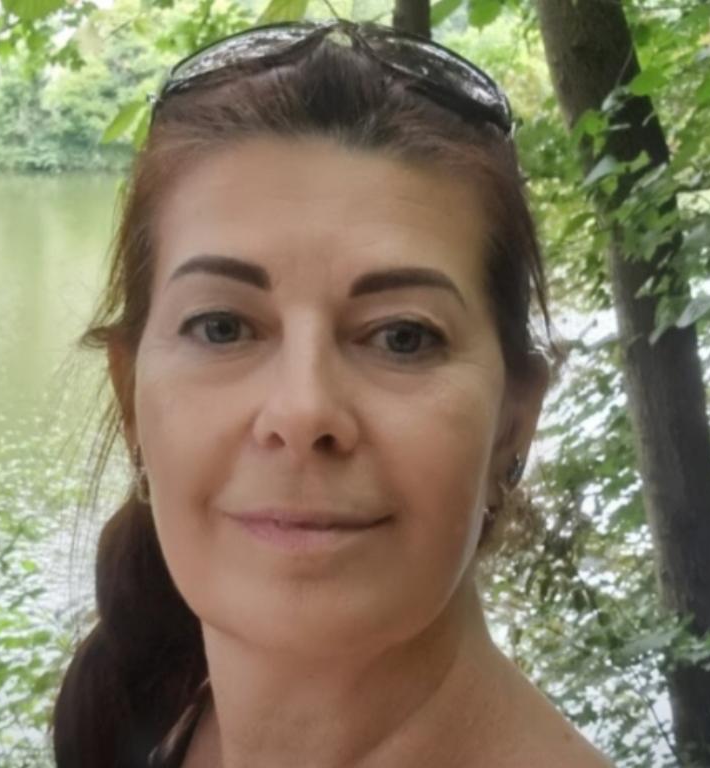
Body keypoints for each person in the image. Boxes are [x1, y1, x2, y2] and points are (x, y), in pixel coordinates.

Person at [52, 18, 614, 768]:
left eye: (402, 337)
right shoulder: (147, 716)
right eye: (222, 327)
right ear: (130, 400)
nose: (303, 410)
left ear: (514, 422)